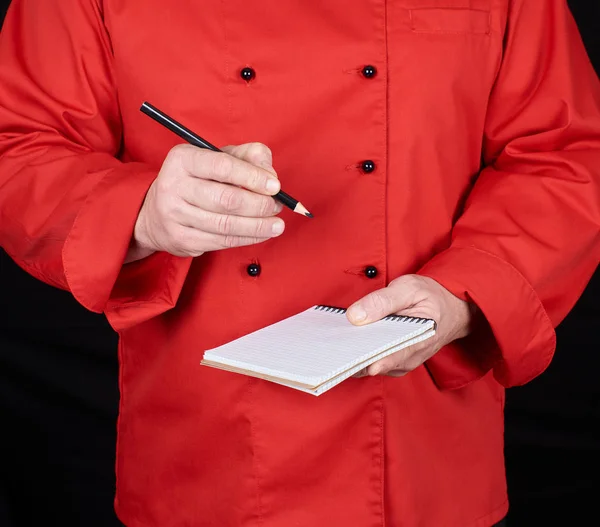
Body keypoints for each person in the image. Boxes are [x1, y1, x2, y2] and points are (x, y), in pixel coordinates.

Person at [0, 1, 599, 525]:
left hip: (423, 455)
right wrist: (138, 212)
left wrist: (466, 291)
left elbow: (565, 154)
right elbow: (20, 146)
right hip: (204, 459)